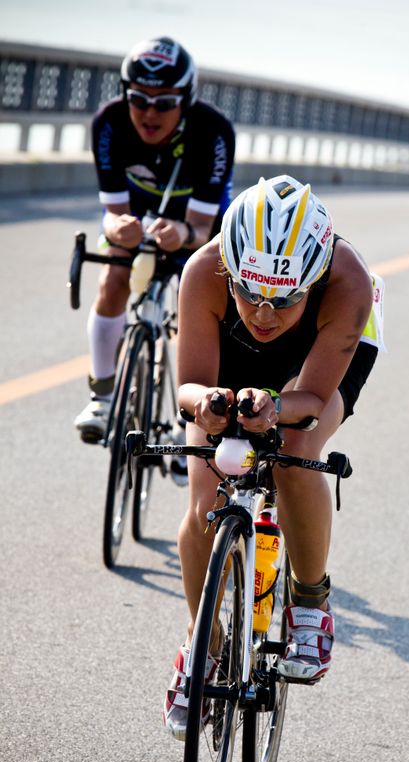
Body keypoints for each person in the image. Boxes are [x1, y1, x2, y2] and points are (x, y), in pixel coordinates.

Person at [163, 173, 386, 739]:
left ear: (310, 281)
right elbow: (187, 386)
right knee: (204, 493)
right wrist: (210, 406)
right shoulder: (203, 270)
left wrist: (275, 409)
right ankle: (202, 641)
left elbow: (311, 400)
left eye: (283, 298)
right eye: (250, 293)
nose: (264, 312)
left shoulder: (348, 281)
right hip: (231, 358)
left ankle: (309, 601)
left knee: (295, 448)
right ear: (229, 270)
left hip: (320, 357)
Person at [74, 36, 236, 485]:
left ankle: (197, 430)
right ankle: (102, 396)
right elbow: (112, 214)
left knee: (196, 314)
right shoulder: (108, 123)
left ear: (186, 99)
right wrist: (114, 230)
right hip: (138, 215)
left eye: (164, 102)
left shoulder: (213, 132)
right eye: (139, 99)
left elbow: (202, 229)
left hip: (194, 221)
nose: (149, 112)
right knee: (113, 277)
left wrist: (184, 233)